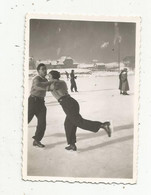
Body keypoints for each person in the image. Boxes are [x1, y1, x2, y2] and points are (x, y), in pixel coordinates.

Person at [48, 70, 112, 151]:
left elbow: (50, 87)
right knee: (68, 124)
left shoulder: (56, 83)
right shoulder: (59, 82)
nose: (48, 78)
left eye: (49, 76)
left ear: (53, 77)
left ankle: (102, 125)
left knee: (78, 122)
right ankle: (72, 145)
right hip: (69, 103)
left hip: (68, 103)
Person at [28, 63, 52, 148]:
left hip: (41, 103)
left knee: (42, 123)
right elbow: (37, 86)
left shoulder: (46, 80)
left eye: (45, 69)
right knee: (25, 120)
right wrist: (47, 87)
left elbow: (51, 86)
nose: (45, 70)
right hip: (32, 102)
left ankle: (37, 140)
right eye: (43, 69)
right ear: (38, 71)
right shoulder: (36, 79)